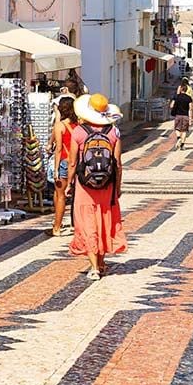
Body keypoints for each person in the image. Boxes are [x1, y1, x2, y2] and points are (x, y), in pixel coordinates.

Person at [67, 93, 127, 280]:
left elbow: (72, 162)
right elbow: (117, 162)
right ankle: (101, 263)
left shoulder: (78, 132)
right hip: (106, 185)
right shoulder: (113, 132)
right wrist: (117, 187)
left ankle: (94, 267)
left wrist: (69, 183)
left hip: (85, 186)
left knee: (87, 223)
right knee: (103, 221)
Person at [49, 97, 79, 237]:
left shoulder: (59, 126)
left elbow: (58, 149)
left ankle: (57, 227)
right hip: (78, 163)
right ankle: (77, 225)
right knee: (78, 196)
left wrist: (55, 170)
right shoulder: (79, 125)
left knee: (61, 196)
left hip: (64, 163)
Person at [170, 83, 193, 150]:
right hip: (185, 115)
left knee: (177, 129)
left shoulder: (176, 97)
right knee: (184, 131)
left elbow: (171, 105)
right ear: (186, 90)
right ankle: (182, 145)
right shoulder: (189, 98)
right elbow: (191, 108)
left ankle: (178, 137)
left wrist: (174, 108)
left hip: (178, 115)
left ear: (181, 89)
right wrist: (191, 118)